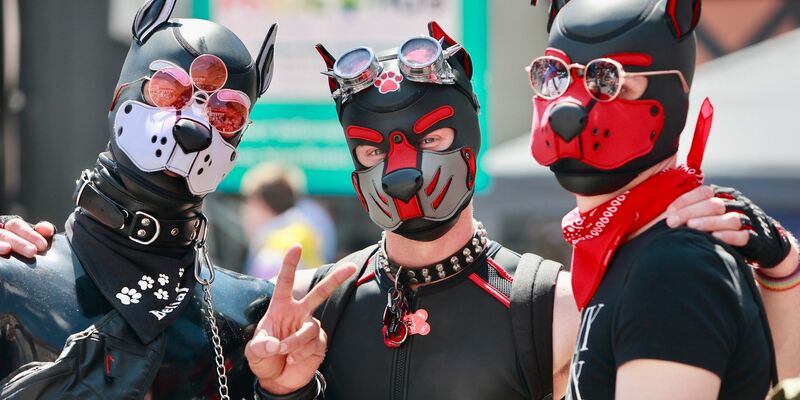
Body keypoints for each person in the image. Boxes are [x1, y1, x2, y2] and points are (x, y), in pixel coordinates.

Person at [2, 18, 794, 400]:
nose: (405, 172)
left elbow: (750, 364)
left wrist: (780, 272)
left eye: (431, 138)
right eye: (373, 150)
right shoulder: (312, 307)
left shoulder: (552, 302)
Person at [0, 1, 354, 398]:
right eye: (169, 91)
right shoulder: (15, 280)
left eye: (226, 114)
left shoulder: (254, 315)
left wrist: (285, 390)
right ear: (121, 93)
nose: (194, 127)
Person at [526, 0, 800, 398]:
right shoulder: (632, 251)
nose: (568, 109)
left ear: (671, 95)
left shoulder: (672, 270)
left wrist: (784, 263)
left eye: (609, 82)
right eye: (554, 76)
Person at [240, 162, 331, 279]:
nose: (244, 212)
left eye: (247, 203)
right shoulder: (304, 232)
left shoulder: (270, 256)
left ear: (259, 202)